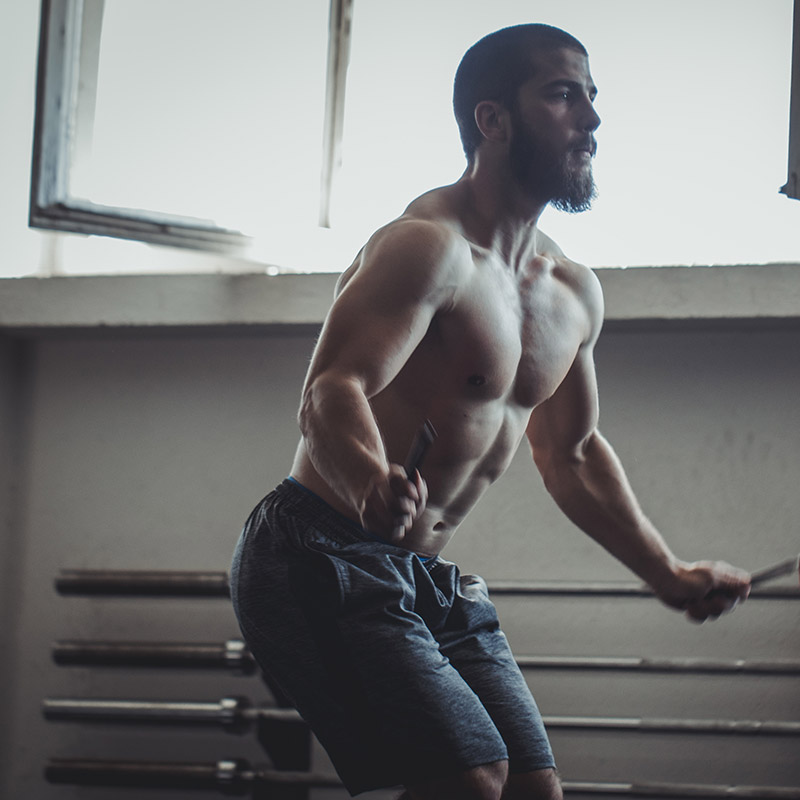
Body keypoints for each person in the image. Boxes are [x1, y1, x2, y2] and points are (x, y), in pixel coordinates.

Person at [231, 23, 751, 800]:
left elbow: (570, 455)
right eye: (562, 94)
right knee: (470, 779)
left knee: (533, 788)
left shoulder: (572, 292)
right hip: (314, 550)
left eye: (592, 98)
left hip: (416, 569)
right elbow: (329, 389)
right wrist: (372, 478)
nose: (591, 120)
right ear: (493, 119)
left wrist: (667, 575)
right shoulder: (427, 247)